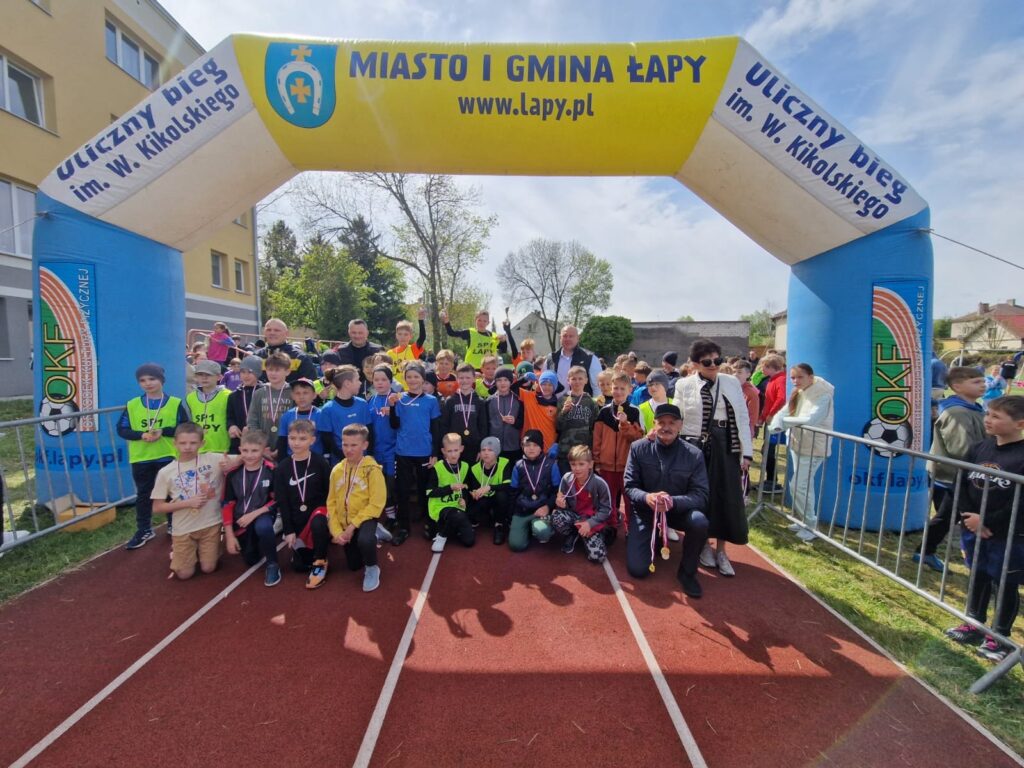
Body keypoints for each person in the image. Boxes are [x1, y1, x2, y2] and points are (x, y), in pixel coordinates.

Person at [943, 395, 1024, 662]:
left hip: (1007, 535)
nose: (988, 420)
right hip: (973, 528)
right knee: (978, 575)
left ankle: (1000, 637)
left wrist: (987, 521)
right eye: (988, 414)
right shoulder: (979, 448)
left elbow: (1019, 502)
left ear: (1020, 424)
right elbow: (961, 482)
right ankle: (974, 623)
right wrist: (969, 517)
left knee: (1004, 584)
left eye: (996, 417)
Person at [673, 339, 753, 577]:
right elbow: (677, 415)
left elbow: (742, 416)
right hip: (696, 446)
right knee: (700, 496)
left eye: (718, 360)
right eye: (707, 362)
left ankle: (722, 550)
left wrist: (747, 452)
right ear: (696, 364)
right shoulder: (684, 384)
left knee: (726, 496)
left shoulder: (731, 382)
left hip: (726, 444)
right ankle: (703, 545)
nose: (714, 365)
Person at [624, 404, 710, 598]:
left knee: (699, 521)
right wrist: (646, 497)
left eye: (672, 423)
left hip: (678, 511)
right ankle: (651, 538)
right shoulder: (638, 448)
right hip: (646, 511)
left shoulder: (694, 454)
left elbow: (701, 494)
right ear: (654, 424)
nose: (666, 427)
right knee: (638, 570)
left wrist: (673, 502)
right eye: (661, 422)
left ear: (680, 425)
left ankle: (687, 573)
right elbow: (629, 486)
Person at [917, 367, 987, 571]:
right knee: (948, 517)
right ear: (957, 386)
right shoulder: (957, 412)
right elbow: (961, 448)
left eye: (983, 381)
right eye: (976, 382)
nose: (983, 385)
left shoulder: (974, 409)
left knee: (950, 517)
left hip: (965, 475)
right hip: (952, 476)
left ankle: (926, 551)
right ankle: (925, 552)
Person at [118, 363, 188, 550]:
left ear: (161, 380)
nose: (147, 383)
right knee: (144, 494)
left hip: (168, 455)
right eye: (142, 380)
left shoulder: (174, 403)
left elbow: (184, 428)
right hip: (141, 457)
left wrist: (163, 431)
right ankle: (144, 529)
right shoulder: (133, 404)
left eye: (152, 379)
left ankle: (174, 524)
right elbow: (122, 429)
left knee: (172, 492)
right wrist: (141, 435)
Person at [769, 364, 835, 542]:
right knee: (803, 486)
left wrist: (783, 423)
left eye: (799, 377)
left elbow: (812, 419)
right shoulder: (798, 392)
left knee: (798, 486)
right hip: (799, 444)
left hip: (814, 447)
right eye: (793, 377)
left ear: (810, 377)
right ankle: (805, 521)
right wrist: (776, 423)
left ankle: (811, 525)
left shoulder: (823, 395)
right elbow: (784, 411)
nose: (795, 381)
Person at [152, 423, 225, 580]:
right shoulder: (165, 472)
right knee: (185, 574)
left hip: (210, 523)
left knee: (208, 568)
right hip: (183, 527)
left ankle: (204, 551)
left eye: (193, 443)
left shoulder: (213, 459)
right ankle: (180, 552)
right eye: (183, 443)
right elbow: (157, 507)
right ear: (175, 443)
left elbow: (243, 457)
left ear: (202, 443)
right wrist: (188, 503)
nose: (187, 447)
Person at [327, 423, 386, 592]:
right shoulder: (337, 470)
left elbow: (376, 503)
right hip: (345, 522)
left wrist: (352, 526)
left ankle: (372, 567)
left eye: (354, 445)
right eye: (345, 444)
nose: (348, 449)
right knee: (354, 565)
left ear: (365, 445)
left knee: (365, 541)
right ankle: (374, 534)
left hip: (366, 517)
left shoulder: (372, 470)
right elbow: (331, 502)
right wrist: (336, 531)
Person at [273, 419, 332, 588]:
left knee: (318, 523)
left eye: (302, 438)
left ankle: (320, 561)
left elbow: (330, 494)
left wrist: (332, 521)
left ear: (312, 440)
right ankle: (306, 548)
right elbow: (283, 502)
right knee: (299, 567)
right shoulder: (282, 468)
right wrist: (288, 530)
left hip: (318, 514)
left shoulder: (320, 463)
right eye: (292, 438)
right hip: (297, 518)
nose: (296, 443)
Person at [388, 362, 442, 545]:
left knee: (424, 489)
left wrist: (434, 452)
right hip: (403, 452)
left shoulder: (431, 401)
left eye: (416, 376)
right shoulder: (399, 399)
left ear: (423, 379)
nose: (412, 380)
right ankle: (403, 528)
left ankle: (429, 522)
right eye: (409, 377)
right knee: (402, 491)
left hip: (424, 452)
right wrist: (392, 407)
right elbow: (394, 425)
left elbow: (435, 428)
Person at [222, 430, 279, 586]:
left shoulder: (272, 470)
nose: (249, 455)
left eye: (255, 451)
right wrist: (229, 536)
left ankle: (273, 564)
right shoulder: (232, 474)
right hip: (240, 520)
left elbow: (277, 501)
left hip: (262, 514)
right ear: (240, 450)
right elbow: (227, 505)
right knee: (251, 560)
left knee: (263, 527)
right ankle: (255, 542)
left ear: (264, 450)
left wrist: (254, 514)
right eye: (245, 450)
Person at [592, 371, 644, 534]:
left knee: (629, 501)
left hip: (627, 466)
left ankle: (630, 529)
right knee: (608, 499)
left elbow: (638, 439)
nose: (618, 392)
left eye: (622, 388)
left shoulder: (635, 412)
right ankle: (611, 527)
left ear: (630, 390)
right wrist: (597, 461)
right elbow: (597, 439)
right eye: (615, 388)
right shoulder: (604, 412)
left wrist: (625, 424)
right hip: (606, 465)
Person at [552, 445, 614, 563]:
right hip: (574, 517)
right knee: (556, 517)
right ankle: (573, 533)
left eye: (581, 464)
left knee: (598, 557)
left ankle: (591, 535)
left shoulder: (599, 483)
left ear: (590, 464)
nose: (577, 468)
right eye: (573, 464)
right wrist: (560, 504)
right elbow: (561, 498)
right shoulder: (566, 479)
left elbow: (607, 510)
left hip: (591, 520)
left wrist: (590, 523)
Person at [508, 430, 560, 552]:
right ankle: (527, 528)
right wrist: (511, 516)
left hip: (541, 510)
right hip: (522, 510)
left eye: (535, 445)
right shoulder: (518, 465)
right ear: (523, 446)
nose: (531, 448)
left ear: (541, 447)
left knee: (543, 532)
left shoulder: (551, 465)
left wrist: (548, 506)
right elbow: (513, 492)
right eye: (527, 445)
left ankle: (540, 527)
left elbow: (557, 491)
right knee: (516, 545)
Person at [426, 433, 475, 552]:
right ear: (443, 451)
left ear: (461, 449)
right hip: (440, 507)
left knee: (469, 541)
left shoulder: (465, 466)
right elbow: (429, 492)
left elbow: (465, 487)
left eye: (456, 450)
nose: (453, 454)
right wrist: (450, 488)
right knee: (458, 516)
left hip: (457, 506)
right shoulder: (437, 467)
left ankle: (447, 530)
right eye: (449, 451)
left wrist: (465, 499)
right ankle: (442, 536)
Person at [319, 365, 371, 464]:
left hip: (363, 462)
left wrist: (368, 456)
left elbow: (370, 432)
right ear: (347, 383)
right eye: (357, 380)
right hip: (340, 463)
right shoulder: (328, 409)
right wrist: (345, 457)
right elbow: (327, 440)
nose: (360, 383)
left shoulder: (362, 404)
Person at [246, 352, 294, 459]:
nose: (273, 373)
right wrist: (261, 446)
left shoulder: (293, 392)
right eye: (270, 370)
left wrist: (284, 446)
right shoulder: (259, 393)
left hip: (288, 447)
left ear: (287, 371)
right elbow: (252, 421)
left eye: (277, 370)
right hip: (262, 448)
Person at [467, 437, 513, 545]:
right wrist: (474, 493)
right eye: (483, 450)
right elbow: (473, 488)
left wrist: (489, 487)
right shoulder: (475, 468)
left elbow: (508, 485)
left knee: (502, 495)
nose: (486, 453)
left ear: (496, 452)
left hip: (498, 497)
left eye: (490, 450)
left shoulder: (504, 463)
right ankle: (485, 517)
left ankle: (499, 525)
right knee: (472, 513)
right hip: (484, 499)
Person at [555, 365, 600, 474]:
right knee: (567, 480)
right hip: (566, 450)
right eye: (573, 379)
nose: (577, 382)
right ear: (568, 381)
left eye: (580, 378)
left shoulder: (591, 402)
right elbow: (558, 427)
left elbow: (594, 428)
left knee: (583, 481)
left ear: (586, 380)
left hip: (584, 451)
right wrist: (563, 412)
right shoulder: (562, 400)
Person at [441, 363, 489, 461]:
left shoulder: (479, 401)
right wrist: (445, 448)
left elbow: (483, 427)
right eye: (461, 378)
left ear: (474, 379)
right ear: (457, 379)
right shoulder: (450, 401)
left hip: (474, 447)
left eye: (468, 378)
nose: (464, 381)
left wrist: (481, 448)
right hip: (453, 449)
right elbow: (444, 425)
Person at [275, 378, 331, 458]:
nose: (301, 397)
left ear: (314, 395)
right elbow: (282, 441)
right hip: (292, 459)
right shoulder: (287, 416)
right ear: (292, 396)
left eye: (305, 393)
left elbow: (326, 441)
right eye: (297, 393)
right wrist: (282, 462)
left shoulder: (321, 415)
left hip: (315, 459)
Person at [186, 360, 232, 454]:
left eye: (209, 375)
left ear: (219, 377)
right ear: (196, 377)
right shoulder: (190, 397)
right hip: (198, 450)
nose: (204, 378)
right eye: (200, 374)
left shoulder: (228, 395)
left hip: (222, 448)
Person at [758, 354, 788, 493]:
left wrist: (770, 415)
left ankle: (772, 481)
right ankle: (771, 480)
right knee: (766, 450)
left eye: (763, 366)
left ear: (771, 367)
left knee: (768, 450)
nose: (761, 369)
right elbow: (769, 401)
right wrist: (763, 417)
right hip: (770, 420)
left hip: (775, 421)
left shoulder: (781, 379)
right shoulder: (772, 380)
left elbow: (781, 399)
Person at [441, 308, 507, 370]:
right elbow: (452, 333)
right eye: (479, 320)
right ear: (475, 320)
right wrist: (447, 322)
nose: (481, 323)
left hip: (488, 370)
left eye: (484, 321)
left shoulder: (494, 336)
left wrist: (504, 341)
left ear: (488, 323)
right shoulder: (470, 333)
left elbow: (503, 351)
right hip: (471, 369)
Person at [255, 318, 317, 383]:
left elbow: (313, 384)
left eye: (277, 330)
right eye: (268, 330)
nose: (272, 333)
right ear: (264, 333)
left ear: (286, 333)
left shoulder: (301, 357)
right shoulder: (256, 357)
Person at [544, 325, 602, 394]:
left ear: (578, 338)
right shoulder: (551, 358)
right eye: (565, 336)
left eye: (571, 336)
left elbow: (597, 388)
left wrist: (595, 401)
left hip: (582, 401)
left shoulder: (590, 358)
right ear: (560, 338)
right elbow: (543, 382)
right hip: (554, 401)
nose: (568, 339)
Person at [515, 370, 561, 452]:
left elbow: (559, 428)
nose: (546, 387)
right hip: (529, 446)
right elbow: (512, 388)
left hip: (548, 446)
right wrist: (524, 378)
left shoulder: (558, 404)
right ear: (539, 384)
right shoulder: (529, 396)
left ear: (555, 387)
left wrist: (556, 444)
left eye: (550, 385)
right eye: (544, 384)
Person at [487, 368, 524, 465]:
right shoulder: (489, 401)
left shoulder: (518, 400)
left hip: (513, 447)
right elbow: (485, 423)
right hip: (493, 447)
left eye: (506, 380)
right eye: (499, 380)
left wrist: (515, 422)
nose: (502, 383)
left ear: (511, 382)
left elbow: (522, 422)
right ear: (495, 382)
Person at [227, 355, 261, 454]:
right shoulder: (234, 395)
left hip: (261, 441)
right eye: (242, 372)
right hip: (239, 442)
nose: (246, 376)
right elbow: (229, 417)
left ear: (258, 372)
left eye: (250, 372)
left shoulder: (265, 392)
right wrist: (231, 426)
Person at [388, 309, 428, 390]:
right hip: (395, 391)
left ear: (410, 336)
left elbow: (422, 337)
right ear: (396, 335)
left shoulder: (413, 349)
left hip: (411, 390)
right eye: (400, 334)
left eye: (406, 334)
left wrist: (421, 320)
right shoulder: (389, 353)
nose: (402, 337)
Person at [336, 318, 384, 383]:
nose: (357, 336)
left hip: (372, 387)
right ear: (349, 333)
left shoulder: (378, 351)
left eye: (360, 333)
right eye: (354, 333)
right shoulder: (341, 351)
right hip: (348, 387)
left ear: (367, 333)